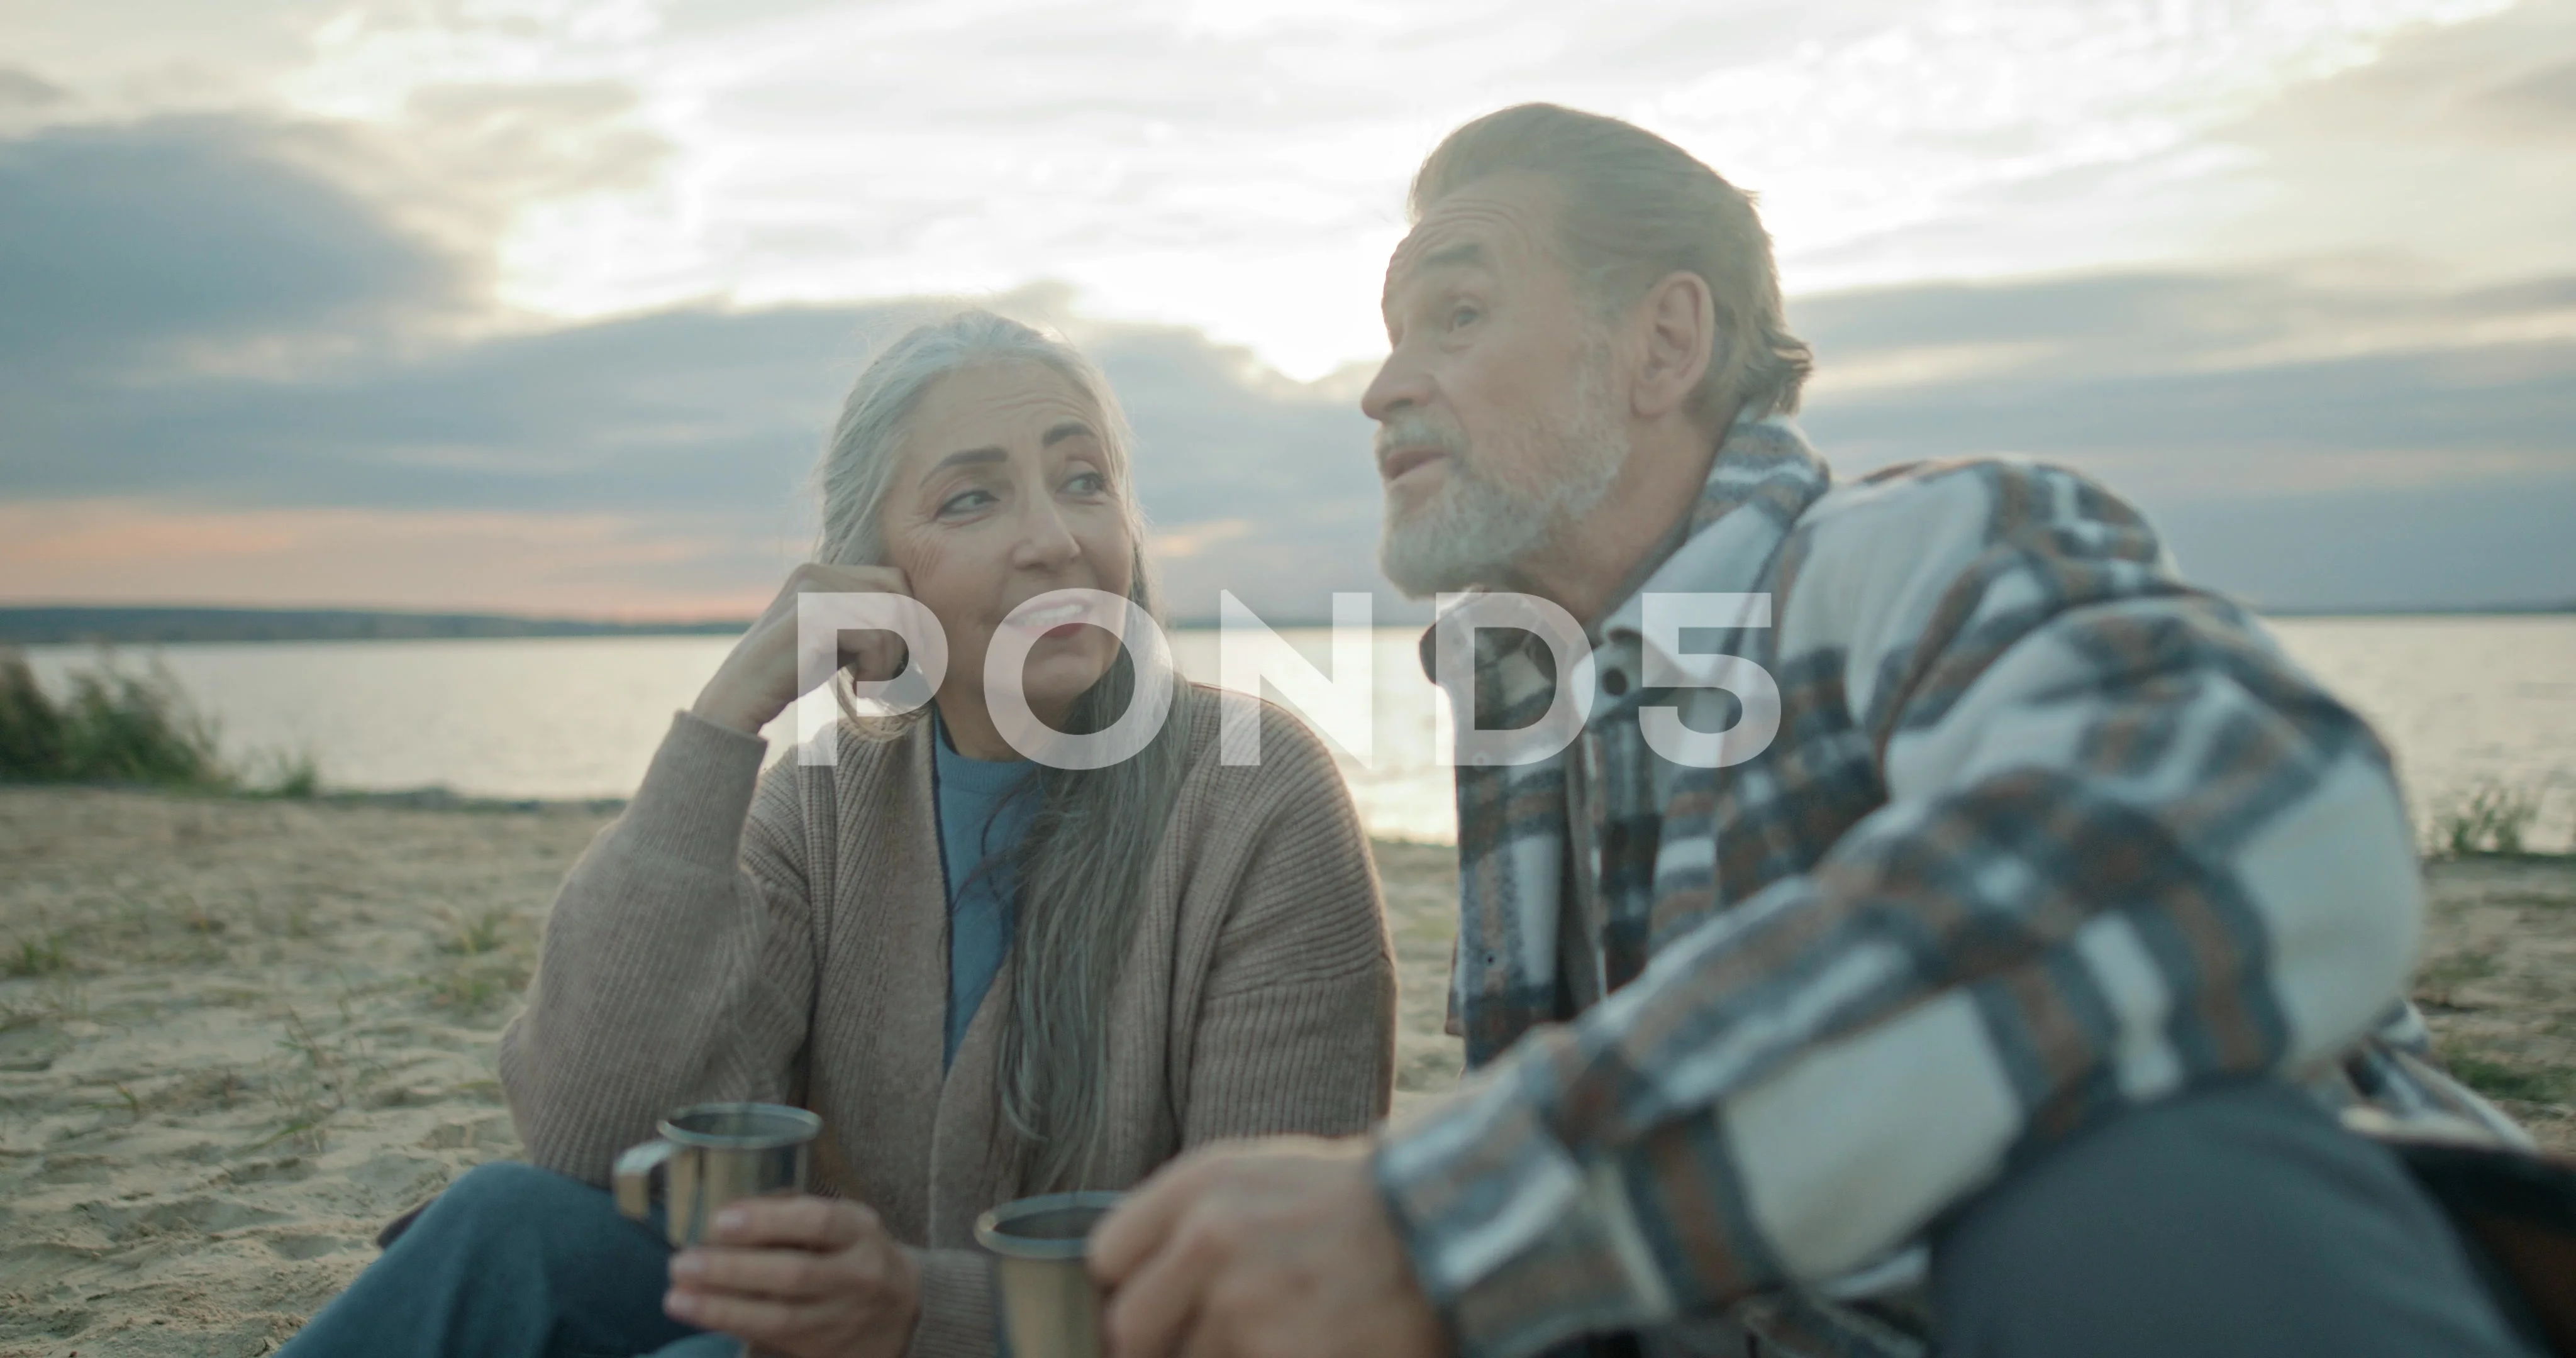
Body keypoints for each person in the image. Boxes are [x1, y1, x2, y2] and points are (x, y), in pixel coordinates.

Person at [1089, 104, 2550, 1358]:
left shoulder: (1918, 548)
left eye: (1455, 319)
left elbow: (2258, 820)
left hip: (2276, 1281)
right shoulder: (1524, 729)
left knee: (2108, 1169)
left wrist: (1445, 1221)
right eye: (1391, 338)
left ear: (1663, 344)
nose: (1381, 387)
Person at [279, 311, 1398, 1358]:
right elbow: (585, 1131)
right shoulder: (824, 806)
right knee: (502, 1221)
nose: (1053, 541)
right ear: (872, 574)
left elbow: (1270, 1295)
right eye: (972, 501)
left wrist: (917, 1306)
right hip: (831, 1336)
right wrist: (728, 715)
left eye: (1084, 481)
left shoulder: (1256, 794)